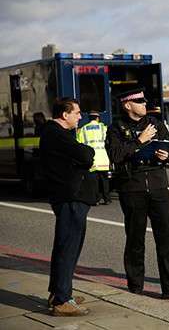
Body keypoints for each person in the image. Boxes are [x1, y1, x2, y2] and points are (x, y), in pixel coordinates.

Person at [105, 88, 169, 299]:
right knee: (135, 239)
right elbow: (115, 155)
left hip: (158, 185)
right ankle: (136, 286)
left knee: (168, 238)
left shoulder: (156, 124)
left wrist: (167, 155)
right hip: (132, 188)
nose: (145, 104)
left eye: (144, 101)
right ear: (128, 105)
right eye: (139, 101)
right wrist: (139, 142)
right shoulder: (116, 127)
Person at [40, 98, 97, 316]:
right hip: (70, 197)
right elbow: (85, 154)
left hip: (68, 196)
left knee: (65, 246)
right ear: (65, 115)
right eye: (77, 113)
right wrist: (88, 154)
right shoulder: (56, 133)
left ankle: (60, 292)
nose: (80, 117)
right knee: (68, 248)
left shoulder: (55, 134)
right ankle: (62, 300)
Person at [77, 111, 111, 205]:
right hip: (103, 157)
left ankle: (96, 200)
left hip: (92, 158)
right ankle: (107, 198)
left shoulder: (82, 129)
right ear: (97, 118)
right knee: (104, 180)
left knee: (94, 181)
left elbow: (79, 143)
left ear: (89, 118)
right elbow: (109, 140)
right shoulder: (103, 128)